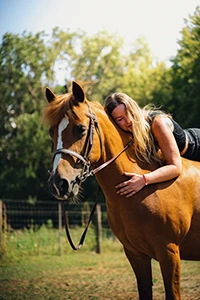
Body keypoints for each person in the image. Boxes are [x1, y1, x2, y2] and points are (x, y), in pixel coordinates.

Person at [104, 92, 200, 197]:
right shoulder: (126, 132)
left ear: (135, 108)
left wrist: (144, 180)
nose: (128, 121)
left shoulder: (158, 123)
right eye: (120, 119)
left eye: (129, 113)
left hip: (196, 149)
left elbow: (175, 167)